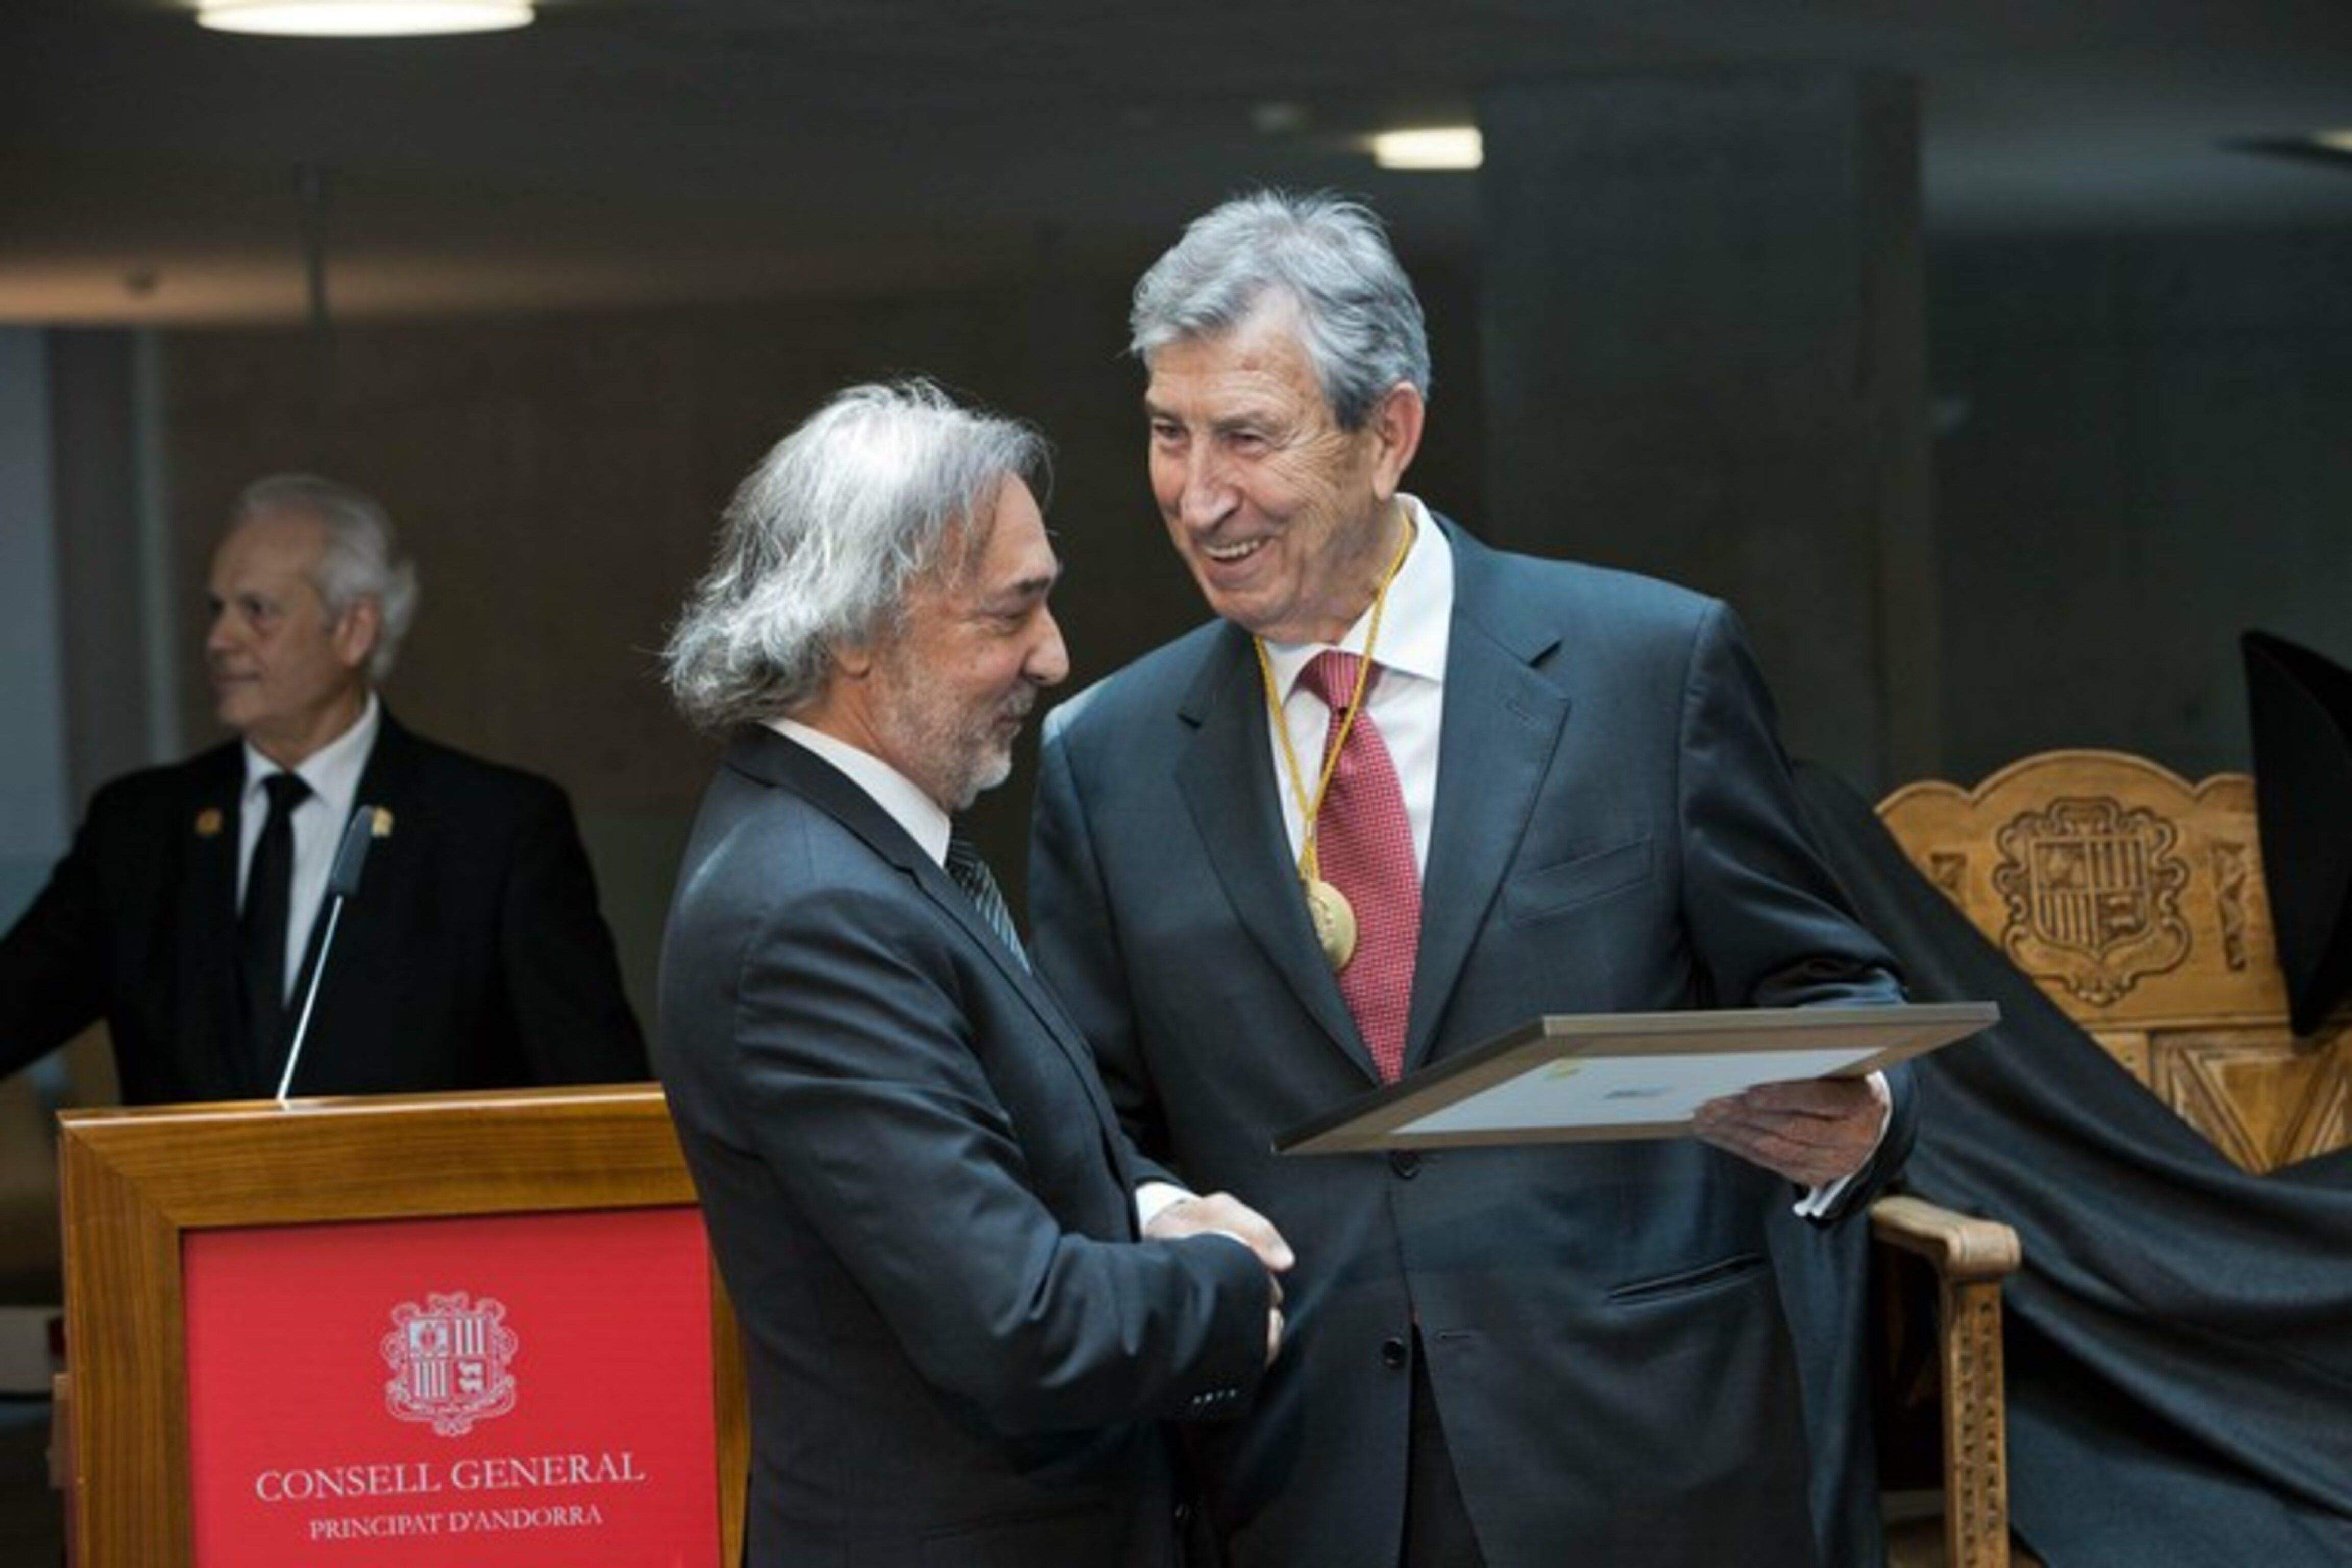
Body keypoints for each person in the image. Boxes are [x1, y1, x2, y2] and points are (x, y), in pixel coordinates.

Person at [1028, 192, 1914, 1568]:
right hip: (1300, 1469)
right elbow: (1086, 1120)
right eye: (1167, 432)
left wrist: (1862, 1120)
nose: (1197, 497)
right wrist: (1161, 1215)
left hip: (1644, 1448)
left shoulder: (1647, 669)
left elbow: (1826, 985)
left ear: (1388, 433)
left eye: (1248, 438)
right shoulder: (1109, 757)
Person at [656, 381, 1291, 1566]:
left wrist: (1153, 1207)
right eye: (1011, 613)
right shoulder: (810, 908)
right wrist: (1221, 1285)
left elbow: (1021, 1139)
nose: (1052, 656)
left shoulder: (865, 847)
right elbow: (1014, 1320)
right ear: (853, 629)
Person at [0, 474, 645, 1101]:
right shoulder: (137, 829)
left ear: (353, 630)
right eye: (216, 609)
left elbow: (600, 1097)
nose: (219, 640)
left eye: (258, 612)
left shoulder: (496, 830)